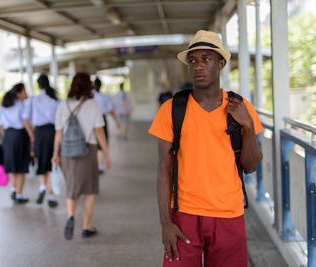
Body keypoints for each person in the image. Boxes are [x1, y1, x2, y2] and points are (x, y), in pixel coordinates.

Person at [148, 30, 264, 266]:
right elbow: (164, 169)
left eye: (206, 59)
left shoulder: (241, 108)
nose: (198, 66)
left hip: (229, 216)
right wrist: (165, 223)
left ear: (221, 63)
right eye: (193, 61)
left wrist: (249, 126)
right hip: (184, 216)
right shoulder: (171, 109)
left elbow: (251, 166)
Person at [52, 72, 111, 240]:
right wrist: (106, 153)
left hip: (67, 152)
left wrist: (56, 153)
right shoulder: (92, 105)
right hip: (88, 150)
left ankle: (70, 216)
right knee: (89, 190)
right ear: (89, 86)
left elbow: (58, 132)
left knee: (71, 187)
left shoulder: (63, 105)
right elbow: (99, 131)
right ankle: (86, 226)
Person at [23, 74, 59, 208]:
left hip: (39, 133)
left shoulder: (32, 100)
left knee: (41, 161)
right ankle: (50, 196)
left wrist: (32, 136)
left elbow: (25, 119)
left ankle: (42, 187)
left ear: (38, 85)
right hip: (52, 132)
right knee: (51, 163)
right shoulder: (55, 100)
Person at [0, 83, 32, 204]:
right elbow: (26, 122)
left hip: (8, 137)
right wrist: (32, 137)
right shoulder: (21, 105)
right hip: (20, 136)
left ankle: (13, 189)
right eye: (24, 91)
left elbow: (1, 126)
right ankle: (19, 194)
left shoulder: (4, 106)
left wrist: (6, 138)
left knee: (12, 166)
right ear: (19, 93)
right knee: (21, 167)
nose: (26, 94)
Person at [93, 77, 120, 173]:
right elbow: (111, 111)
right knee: (101, 143)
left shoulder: (89, 97)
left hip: (90, 121)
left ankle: (96, 164)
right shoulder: (103, 97)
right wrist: (117, 121)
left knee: (93, 143)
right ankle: (99, 165)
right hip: (101, 120)